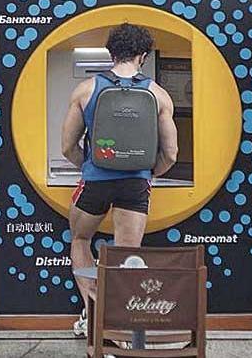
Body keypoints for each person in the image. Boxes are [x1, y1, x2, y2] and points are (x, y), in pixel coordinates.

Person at [59, 23, 178, 337]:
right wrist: (147, 173)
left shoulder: (85, 90)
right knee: (125, 257)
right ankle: (117, 328)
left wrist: (89, 166)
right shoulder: (158, 94)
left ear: (112, 53)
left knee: (81, 240)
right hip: (135, 185)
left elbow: (67, 146)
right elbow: (171, 153)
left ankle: (93, 311)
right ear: (142, 55)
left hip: (95, 181)